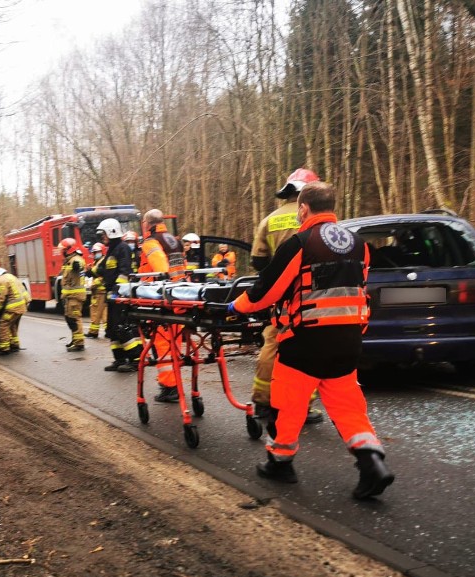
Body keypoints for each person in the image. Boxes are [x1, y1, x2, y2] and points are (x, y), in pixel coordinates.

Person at [228, 181, 395, 500]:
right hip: (347, 340)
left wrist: (237, 305)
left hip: (304, 340)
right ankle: (373, 463)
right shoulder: (359, 244)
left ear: (303, 209)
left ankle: (280, 462)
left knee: (288, 403)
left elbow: (268, 290)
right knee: (348, 406)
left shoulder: (301, 242)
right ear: (333, 207)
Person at [251, 167, 324, 425]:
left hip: (280, 296)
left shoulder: (269, 221)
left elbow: (258, 260)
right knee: (309, 349)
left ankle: (262, 402)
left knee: (272, 343)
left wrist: (276, 280)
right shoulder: (320, 220)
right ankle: (302, 406)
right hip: (313, 296)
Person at [139, 209, 187, 402]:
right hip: (180, 296)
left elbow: (161, 270)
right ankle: (174, 382)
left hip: (162, 299)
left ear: (147, 224)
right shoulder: (173, 239)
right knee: (174, 344)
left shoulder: (151, 242)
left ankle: (169, 387)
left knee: (162, 344)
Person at [97, 218, 142, 372]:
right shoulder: (111, 250)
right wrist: (91, 271)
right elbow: (103, 268)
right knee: (112, 329)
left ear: (111, 232)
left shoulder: (122, 248)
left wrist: (117, 290)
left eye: (103, 234)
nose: (102, 237)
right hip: (112, 296)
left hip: (120, 296)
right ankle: (119, 359)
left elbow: (125, 272)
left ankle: (136, 360)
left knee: (123, 328)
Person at [58, 238, 87, 352]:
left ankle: (79, 343)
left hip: (75, 296)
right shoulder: (68, 260)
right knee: (69, 318)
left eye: (63, 250)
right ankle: (75, 339)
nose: (61, 252)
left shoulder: (76, 259)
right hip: (69, 296)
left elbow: (79, 265)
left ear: (69, 249)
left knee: (75, 318)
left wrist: (77, 265)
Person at [85, 242, 108, 339]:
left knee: (95, 312)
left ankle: (93, 332)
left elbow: (103, 276)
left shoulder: (102, 262)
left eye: (97, 252)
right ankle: (108, 331)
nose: (95, 254)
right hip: (102, 291)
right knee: (104, 313)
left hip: (99, 291)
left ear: (102, 252)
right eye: (94, 252)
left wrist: (93, 285)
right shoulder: (98, 261)